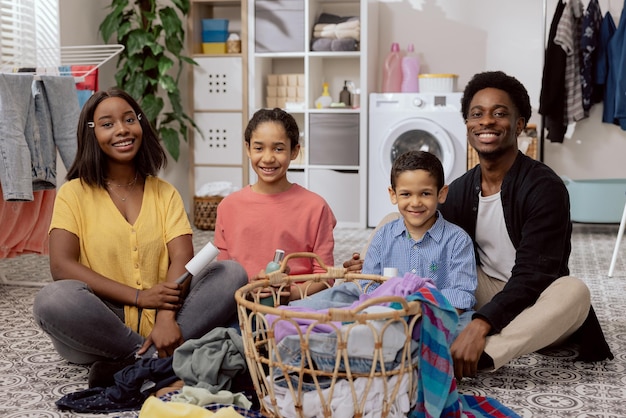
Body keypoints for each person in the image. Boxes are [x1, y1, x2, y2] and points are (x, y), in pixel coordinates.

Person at [346, 70, 614, 379]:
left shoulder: (544, 187)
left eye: (499, 113)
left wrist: (479, 326)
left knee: (574, 291)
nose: (486, 121)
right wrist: (371, 268)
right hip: (484, 289)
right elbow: (429, 239)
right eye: (477, 114)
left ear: (518, 124)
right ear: (468, 126)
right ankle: (364, 315)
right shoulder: (460, 188)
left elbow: (535, 275)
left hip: (536, 302)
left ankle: (477, 356)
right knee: (396, 220)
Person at [33, 89, 248, 375]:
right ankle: (155, 360)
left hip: (169, 316)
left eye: (128, 120)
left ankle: (136, 365)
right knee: (53, 299)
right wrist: (138, 296)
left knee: (231, 273)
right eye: (107, 124)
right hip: (101, 324)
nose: (122, 130)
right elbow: (61, 266)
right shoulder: (73, 193)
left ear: (141, 124)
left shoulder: (165, 193)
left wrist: (165, 316)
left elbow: (182, 258)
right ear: (91, 134)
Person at [291, 150, 477, 335]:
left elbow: (460, 295)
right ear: (393, 194)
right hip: (382, 311)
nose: (415, 202)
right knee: (343, 293)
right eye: (406, 194)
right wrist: (383, 308)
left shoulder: (457, 241)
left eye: (425, 194)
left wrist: (416, 311)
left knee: (465, 326)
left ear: (441, 193)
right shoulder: (383, 235)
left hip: (430, 317)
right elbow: (368, 284)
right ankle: (291, 316)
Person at [214, 108, 336, 300]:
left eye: (278, 149)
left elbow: (325, 277)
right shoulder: (228, 207)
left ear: (295, 151)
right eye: (259, 148)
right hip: (240, 304)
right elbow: (224, 274)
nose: (268, 158)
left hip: (294, 307)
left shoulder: (316, 207)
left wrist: (290, 294)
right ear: (248, 148)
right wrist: (247, 290)